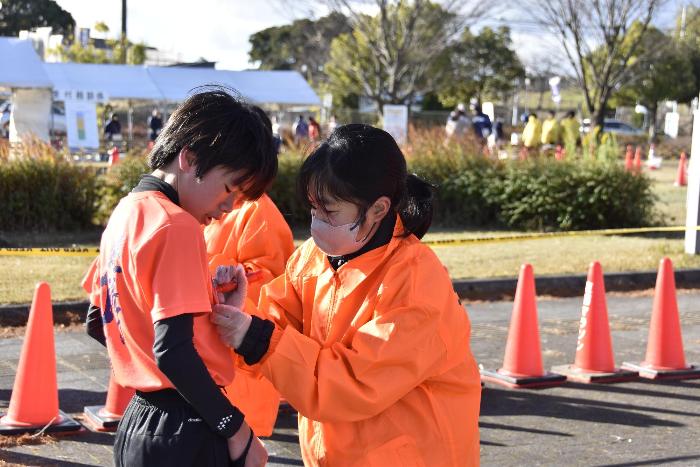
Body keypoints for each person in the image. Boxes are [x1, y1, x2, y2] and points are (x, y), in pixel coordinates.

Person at [211, 124, 482, 466]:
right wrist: (242, 315)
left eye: (329, 210)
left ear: (378, 210)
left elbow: (354, 383)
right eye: (312, 207)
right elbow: (275, 323)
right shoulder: (312, 258)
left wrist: (255, 338)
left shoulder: (415, 284)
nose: (316, 220)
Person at [82, 87, 276, 467]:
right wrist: (235, 428)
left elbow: (98, 321)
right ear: (189, 158)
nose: (227, 208)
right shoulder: (177, 225)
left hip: (139, 420)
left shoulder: (125, 213)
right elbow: (173, 352)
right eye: (228, 189)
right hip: (186, 427)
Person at [203, 167, 295, 437]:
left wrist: (211, 273)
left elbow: (271, 279)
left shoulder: (258, 210)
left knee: (237, 434)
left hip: (236, 343)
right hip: (214, 340)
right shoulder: (208, 204)